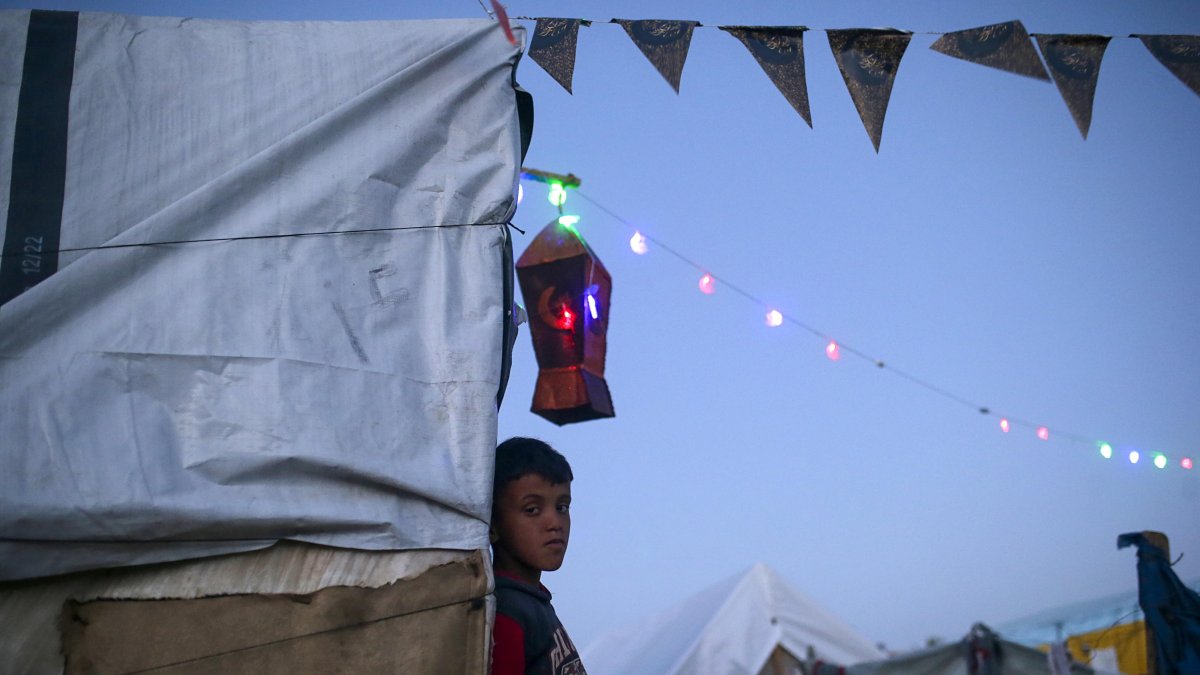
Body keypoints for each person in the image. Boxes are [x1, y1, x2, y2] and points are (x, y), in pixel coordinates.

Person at [490, 437, 586, 675]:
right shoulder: (504, 613)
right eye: (532, 509)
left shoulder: (533, 600)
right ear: (492, 525)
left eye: (562, 507)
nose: (555, 523)